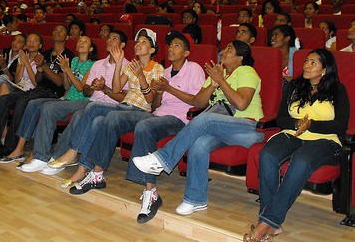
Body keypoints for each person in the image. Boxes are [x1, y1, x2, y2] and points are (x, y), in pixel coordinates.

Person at [80, 31, 205, 223]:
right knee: (113, 117)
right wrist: (158, 92)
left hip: (179, 119)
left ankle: (150, 192)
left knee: (143, 126)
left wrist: (166, 88)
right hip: (157, 115)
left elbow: (198, 101)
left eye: (177, 46)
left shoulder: (194, 69)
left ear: (187, 52)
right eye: (170, 45)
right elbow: (154, 104)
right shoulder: (166, 72)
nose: (171, 48)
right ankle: (97, 174)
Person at [133, 41, 264, 216]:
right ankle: (195, 200)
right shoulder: (217, 74)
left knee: (206, 119)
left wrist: (221, 81)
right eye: (225, 47)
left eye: (229, 49)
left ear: (240, 58)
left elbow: (241, 104)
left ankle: (163, 159)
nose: (223, 51)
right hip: (221, 129)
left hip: (248, 129)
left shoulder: (247, 71)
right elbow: (197, 103)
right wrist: (212, 84)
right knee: (199, 143)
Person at [243, 49, 349, 242]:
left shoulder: (337, 90)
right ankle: (271, 224)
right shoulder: (294, 85)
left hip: (325, 139)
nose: (306, 66)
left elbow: (341, 125)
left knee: (300, 161)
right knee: (267, 155)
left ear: (325, 69)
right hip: (293, 133)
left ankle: (266, 222)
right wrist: (296, 124)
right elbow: (281, 118)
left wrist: (311, 124)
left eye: (313, 63)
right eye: (306, 61)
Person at [59, 28, 164, 193]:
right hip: (124, 108)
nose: (138, 44)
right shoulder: (130, 66)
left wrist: (141, 76)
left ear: (152, 50)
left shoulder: (158, 68)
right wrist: (118, 64)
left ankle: (73, 151)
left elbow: (151, 101)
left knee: (94, 106)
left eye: (144, 42)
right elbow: (116, 88)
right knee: (98, 121)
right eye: (138, 41)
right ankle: (87, 171)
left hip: (140, 111)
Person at [0, 25, 74, 159]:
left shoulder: (68, 55)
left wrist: (44, 67)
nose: (57, 32)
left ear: (67, 37)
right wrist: (39, 71)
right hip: (38, 89)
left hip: (52, 93)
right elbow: (38, 80)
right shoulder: (46, 53)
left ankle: (10, 146)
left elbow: (60, 83)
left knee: (22, 101)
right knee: (4, 99)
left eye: (61, 30)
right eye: (55, 29)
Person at [8, 36, 97, 167]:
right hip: (67, 99)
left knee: (48, 107)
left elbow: (80, 89)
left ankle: (41, 155)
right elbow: (67, 87)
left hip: (81, 101)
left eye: (85, 41)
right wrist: (67, 71)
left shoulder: (92, 65)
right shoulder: (73, 61)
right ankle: (26, 150)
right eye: (79, 41)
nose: (80, 43)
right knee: (33, 103)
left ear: (90, 49)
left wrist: (66, 70)